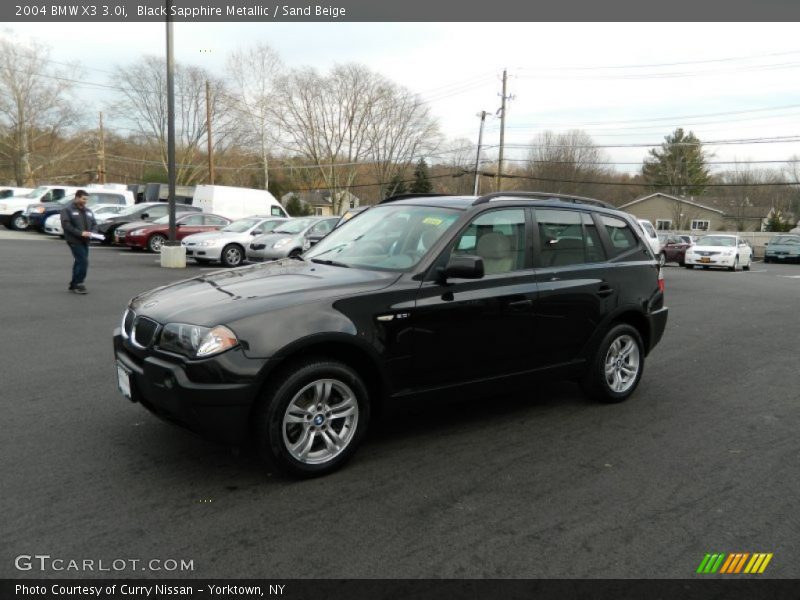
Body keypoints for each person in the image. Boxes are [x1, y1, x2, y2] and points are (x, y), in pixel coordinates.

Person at [60, 189, 97, 294]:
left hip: (86, 241)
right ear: (77, 197)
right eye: (83, 199)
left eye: (86, 199)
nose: (85, 201)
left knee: (79, 262)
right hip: (74, 240)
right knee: (83, 262)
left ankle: (73, 284)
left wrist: (93, 233)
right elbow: (66, 225)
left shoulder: (88, 211)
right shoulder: (67, 210)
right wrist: (80, 233)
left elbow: (94, 224)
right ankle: (79, 283)